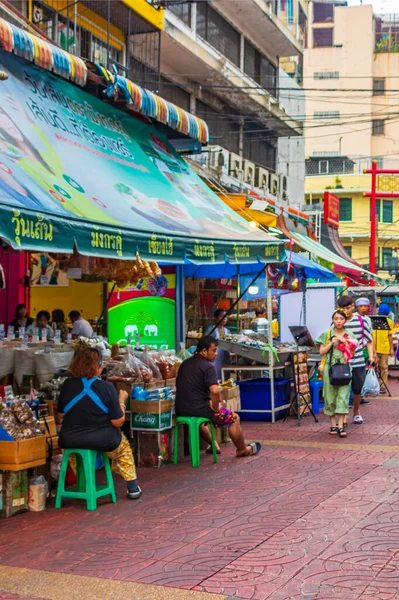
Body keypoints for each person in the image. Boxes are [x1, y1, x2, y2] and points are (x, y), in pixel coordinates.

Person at [57, 348, 141, 499]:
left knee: (76, 454)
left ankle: (84, 483)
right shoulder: (106, 387)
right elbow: (118, 422)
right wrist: (121, 401)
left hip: (70, 439)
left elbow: (62, 414)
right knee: (123, 449)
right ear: (98, 365)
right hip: (102, 439)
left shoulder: (68, 385)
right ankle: (133, 487)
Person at [175, 336, 261, 457]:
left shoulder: (185, 363)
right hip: (199, 409)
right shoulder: (208, 367)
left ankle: (214, 445)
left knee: (198, 422)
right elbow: (215, 391)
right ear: (204, 351)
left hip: (181, 409)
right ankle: (242, 450)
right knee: (234, 418)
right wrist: (215, 407)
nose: (216, 354)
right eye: (214, 350)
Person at [316, 309, 357, 438]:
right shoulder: (326, 334)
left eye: (341, 319)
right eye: (336, 319)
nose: (338, 321)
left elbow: (353, 354)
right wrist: (331, 343)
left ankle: (341, 426)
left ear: (345, 320)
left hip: (344, 368)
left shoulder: (349, 335)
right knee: (329, 394)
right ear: (333, 320)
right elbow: (322, 352)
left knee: (343, 395)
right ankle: (332, 424)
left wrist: (345, 343)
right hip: (330, 368)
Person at [337, 295, 374, 425]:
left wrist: (371, 357)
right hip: (342, 361)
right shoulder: (338, 321)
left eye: (347, 308)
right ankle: (345, 413)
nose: (345, 311)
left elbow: (369, 340)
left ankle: (357, 411)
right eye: (342, 308)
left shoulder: (361, 321)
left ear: (353, 306)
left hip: (358, 360)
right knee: (343, 387)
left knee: (357, 388)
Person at [355, 297, 375, 405]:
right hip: (356, 351)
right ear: (357, 307)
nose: (363, 308)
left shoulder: (367, 319)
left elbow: (370, 337)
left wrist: (374, 353)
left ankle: (361, 396)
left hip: (366, 350)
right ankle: (354, 398)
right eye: (361, 306)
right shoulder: (354, 318)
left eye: (365, 306)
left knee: (363, 374)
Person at [373, 303, 394, 391]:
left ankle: (382, 386)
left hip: (383, 348)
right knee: (377, 367)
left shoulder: (388, 322)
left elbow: (389, 336)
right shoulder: (374, 321)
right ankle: (376, 385)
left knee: (382, 367)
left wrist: (391, 348)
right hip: (376, 349)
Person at [204, 309, 230, 380]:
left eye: (225, 317)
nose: (224, 319)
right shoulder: (211, 329)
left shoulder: (228, 331)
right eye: (222, 316)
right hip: (214, 359)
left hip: (225, 358)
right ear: (216, 318)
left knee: (225, 377)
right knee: (215, 376)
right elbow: (205, 341)